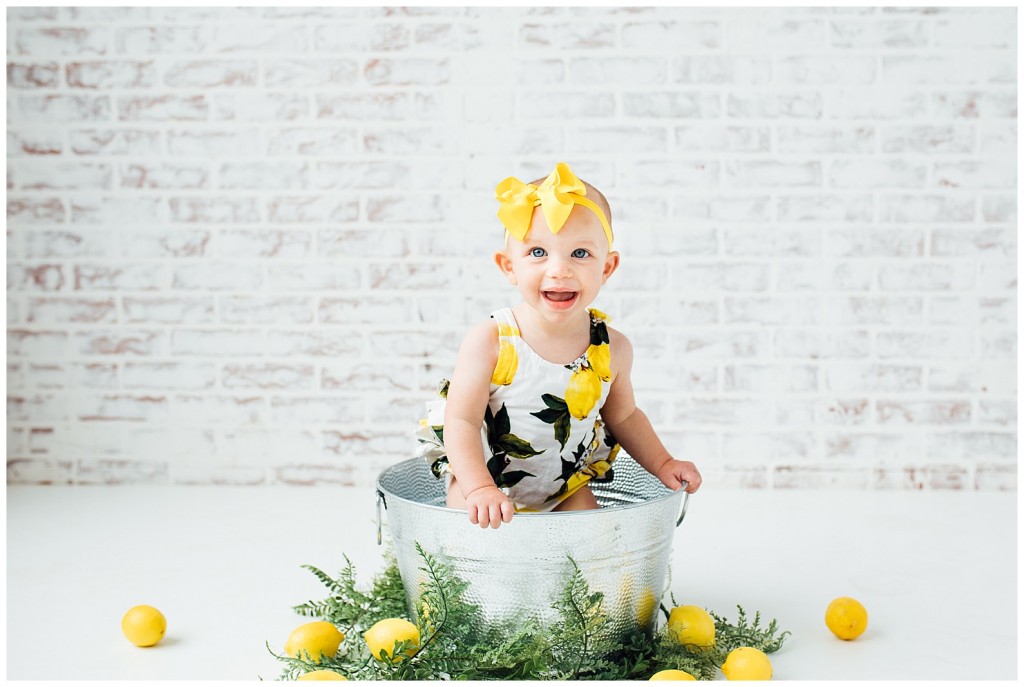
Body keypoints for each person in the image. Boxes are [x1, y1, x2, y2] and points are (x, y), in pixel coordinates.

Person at [417, 162, 701, 529]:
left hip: (562, 488)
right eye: (538, 252)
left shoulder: (611, 349)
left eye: (580, 254)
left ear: (607, 268)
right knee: (470, 536)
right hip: (485, 480)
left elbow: (625, 416)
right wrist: (478, 489)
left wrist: (664, 463)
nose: (559, 270)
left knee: (591, 544)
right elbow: (462, 420)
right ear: (508, 266)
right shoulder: (492, 341)